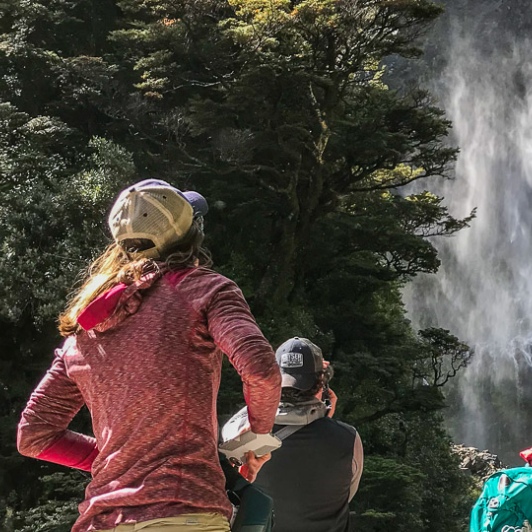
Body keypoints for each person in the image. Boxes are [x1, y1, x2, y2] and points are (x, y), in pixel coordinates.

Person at [17, 179, 282, 532]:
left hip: (102, 522)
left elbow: (33, 435)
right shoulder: (207, 290)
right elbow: (261, 371)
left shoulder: (87, 324)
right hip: (182, 512)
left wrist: (124, 459)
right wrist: (258, 436)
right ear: (193, 236)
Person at [222, 337, 363, 532]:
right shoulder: (349, 439)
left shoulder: (241, 437)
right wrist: (323, 417)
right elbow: (346, 494)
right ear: (322, 384)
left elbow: (241, 420)